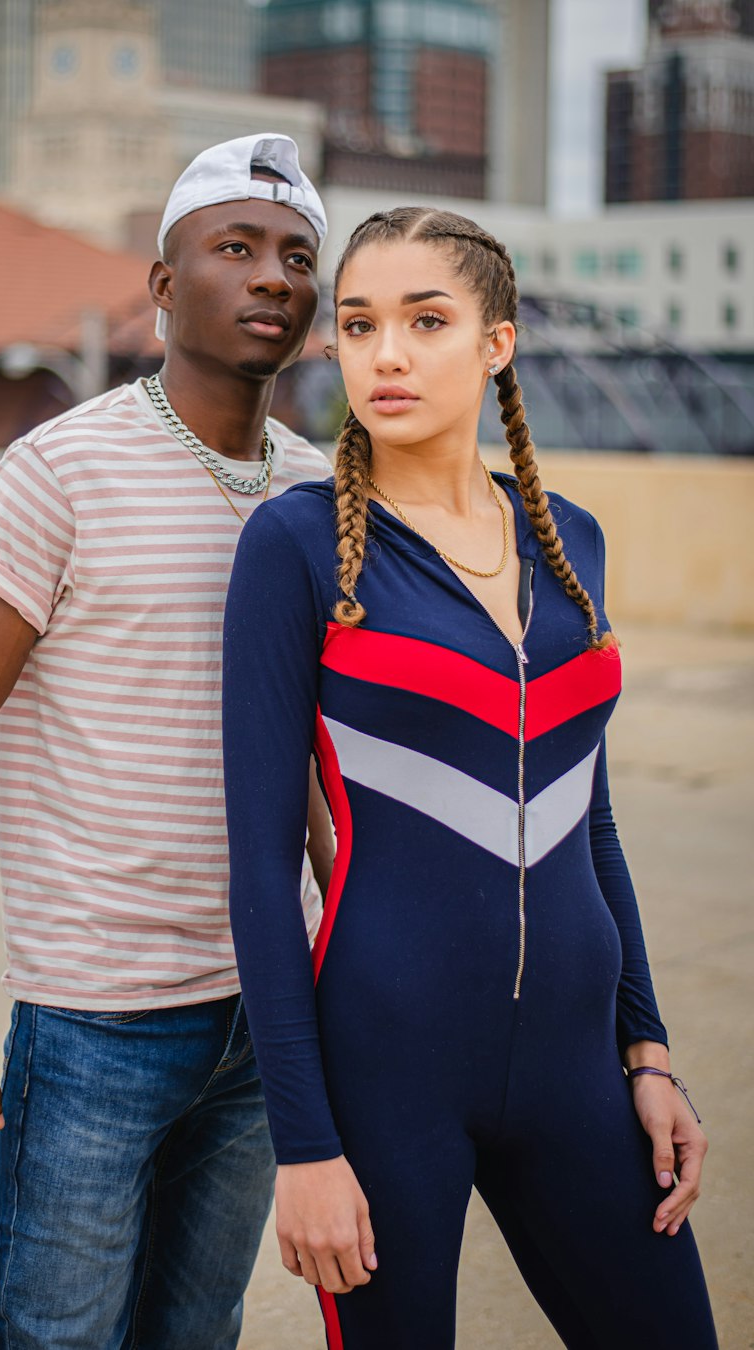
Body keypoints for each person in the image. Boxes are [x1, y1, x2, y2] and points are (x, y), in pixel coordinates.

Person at [221, 207, 718, 1349]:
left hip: (579, 1069)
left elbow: (588, 824)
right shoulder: (296, 547)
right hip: (387, 1073)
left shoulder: (569, 540)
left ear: (497, 342)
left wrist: (647, 1049)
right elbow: (255, 865)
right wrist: (304, 1147)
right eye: (358, 324)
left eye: (425, 321)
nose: (385, 355)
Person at [0, 133, 335, 1350]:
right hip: (99, 1020)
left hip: (269, 1016)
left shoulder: (315, 497)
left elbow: (321, 759)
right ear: (161, 289)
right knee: (59, 1337)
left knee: (197, 1332)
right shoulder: (61, 470)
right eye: (235, 248)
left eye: (298, 257)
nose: (272, 278)